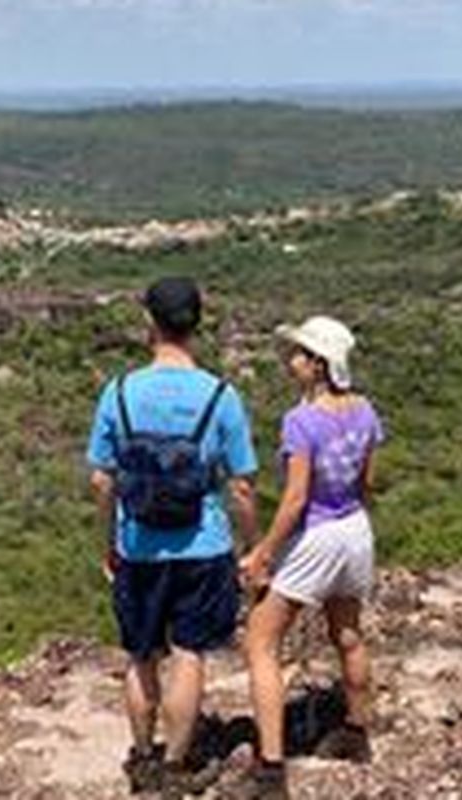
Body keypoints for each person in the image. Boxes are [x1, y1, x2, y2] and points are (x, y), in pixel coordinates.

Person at [87, 276, 259, 797]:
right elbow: (241, 487)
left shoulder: (118, 392)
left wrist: (106, 543)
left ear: (149, 323)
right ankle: (175, 767)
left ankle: (143, 759)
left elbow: (102, 481)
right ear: (196, 324)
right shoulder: (221, 396)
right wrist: (252, 549)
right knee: (188, 654)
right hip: (202, 546)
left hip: (137, 545)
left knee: (141, 657)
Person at [234, 316, 385, 799]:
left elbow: (296, 497)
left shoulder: (300, 422)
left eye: (300, 354)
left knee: (261, 640)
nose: (292, 361)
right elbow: (367, 482)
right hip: (355, 528)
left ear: (319, 365)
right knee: (348, 633)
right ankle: (356, 732)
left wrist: (263, 552)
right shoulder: (365, 410)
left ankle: (270, 768)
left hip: (317, 534)